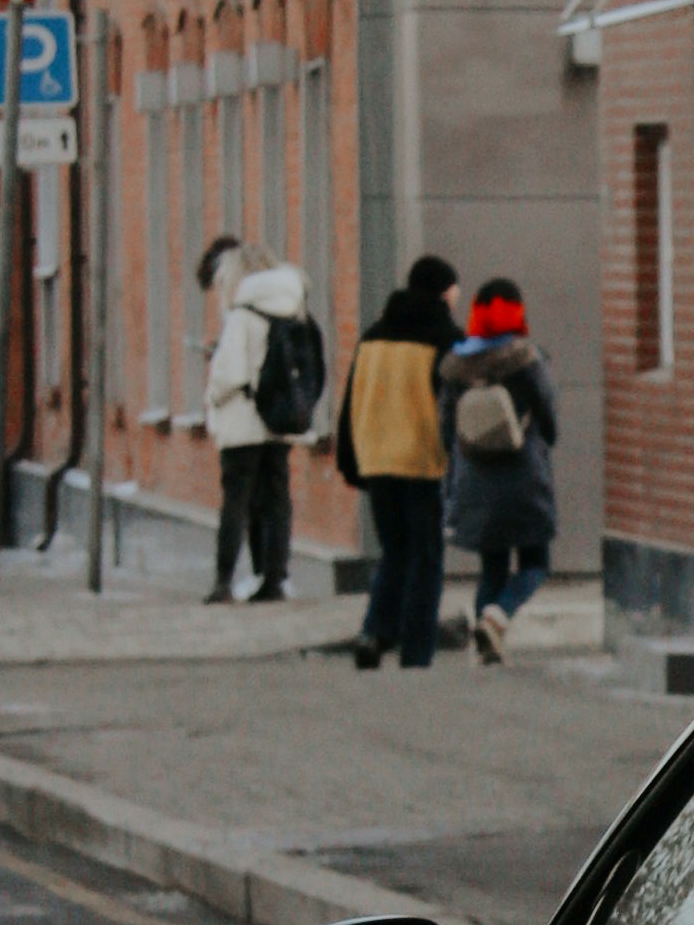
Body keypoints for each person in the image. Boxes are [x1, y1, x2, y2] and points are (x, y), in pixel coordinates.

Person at [333, 253, 459, 671]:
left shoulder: (372, 336)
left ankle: (375, 630)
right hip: (421, 461)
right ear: (443, 291)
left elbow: (352, 399)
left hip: (376, 459)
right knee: (426, 558)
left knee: (394, 551)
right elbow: (453, 407)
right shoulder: (445, 339)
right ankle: (416, 651)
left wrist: (350, 460)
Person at [440, 277, 560, 663]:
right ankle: (497, 616)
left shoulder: (456, 367)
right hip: (524, 478)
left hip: (474, 480)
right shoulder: (527, 360)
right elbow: (548, 413)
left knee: (491, 566)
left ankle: (485, 646)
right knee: (535, 563)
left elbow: (446, 430)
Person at [200, 235, 318, 605]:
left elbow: (227, 374)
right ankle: (274, 578)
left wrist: (214, 394)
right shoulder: (295, 307)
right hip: (280, 419)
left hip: (242, 421)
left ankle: (223, 581)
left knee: (237, 500)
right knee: (277, 499)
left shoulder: (244, 312)